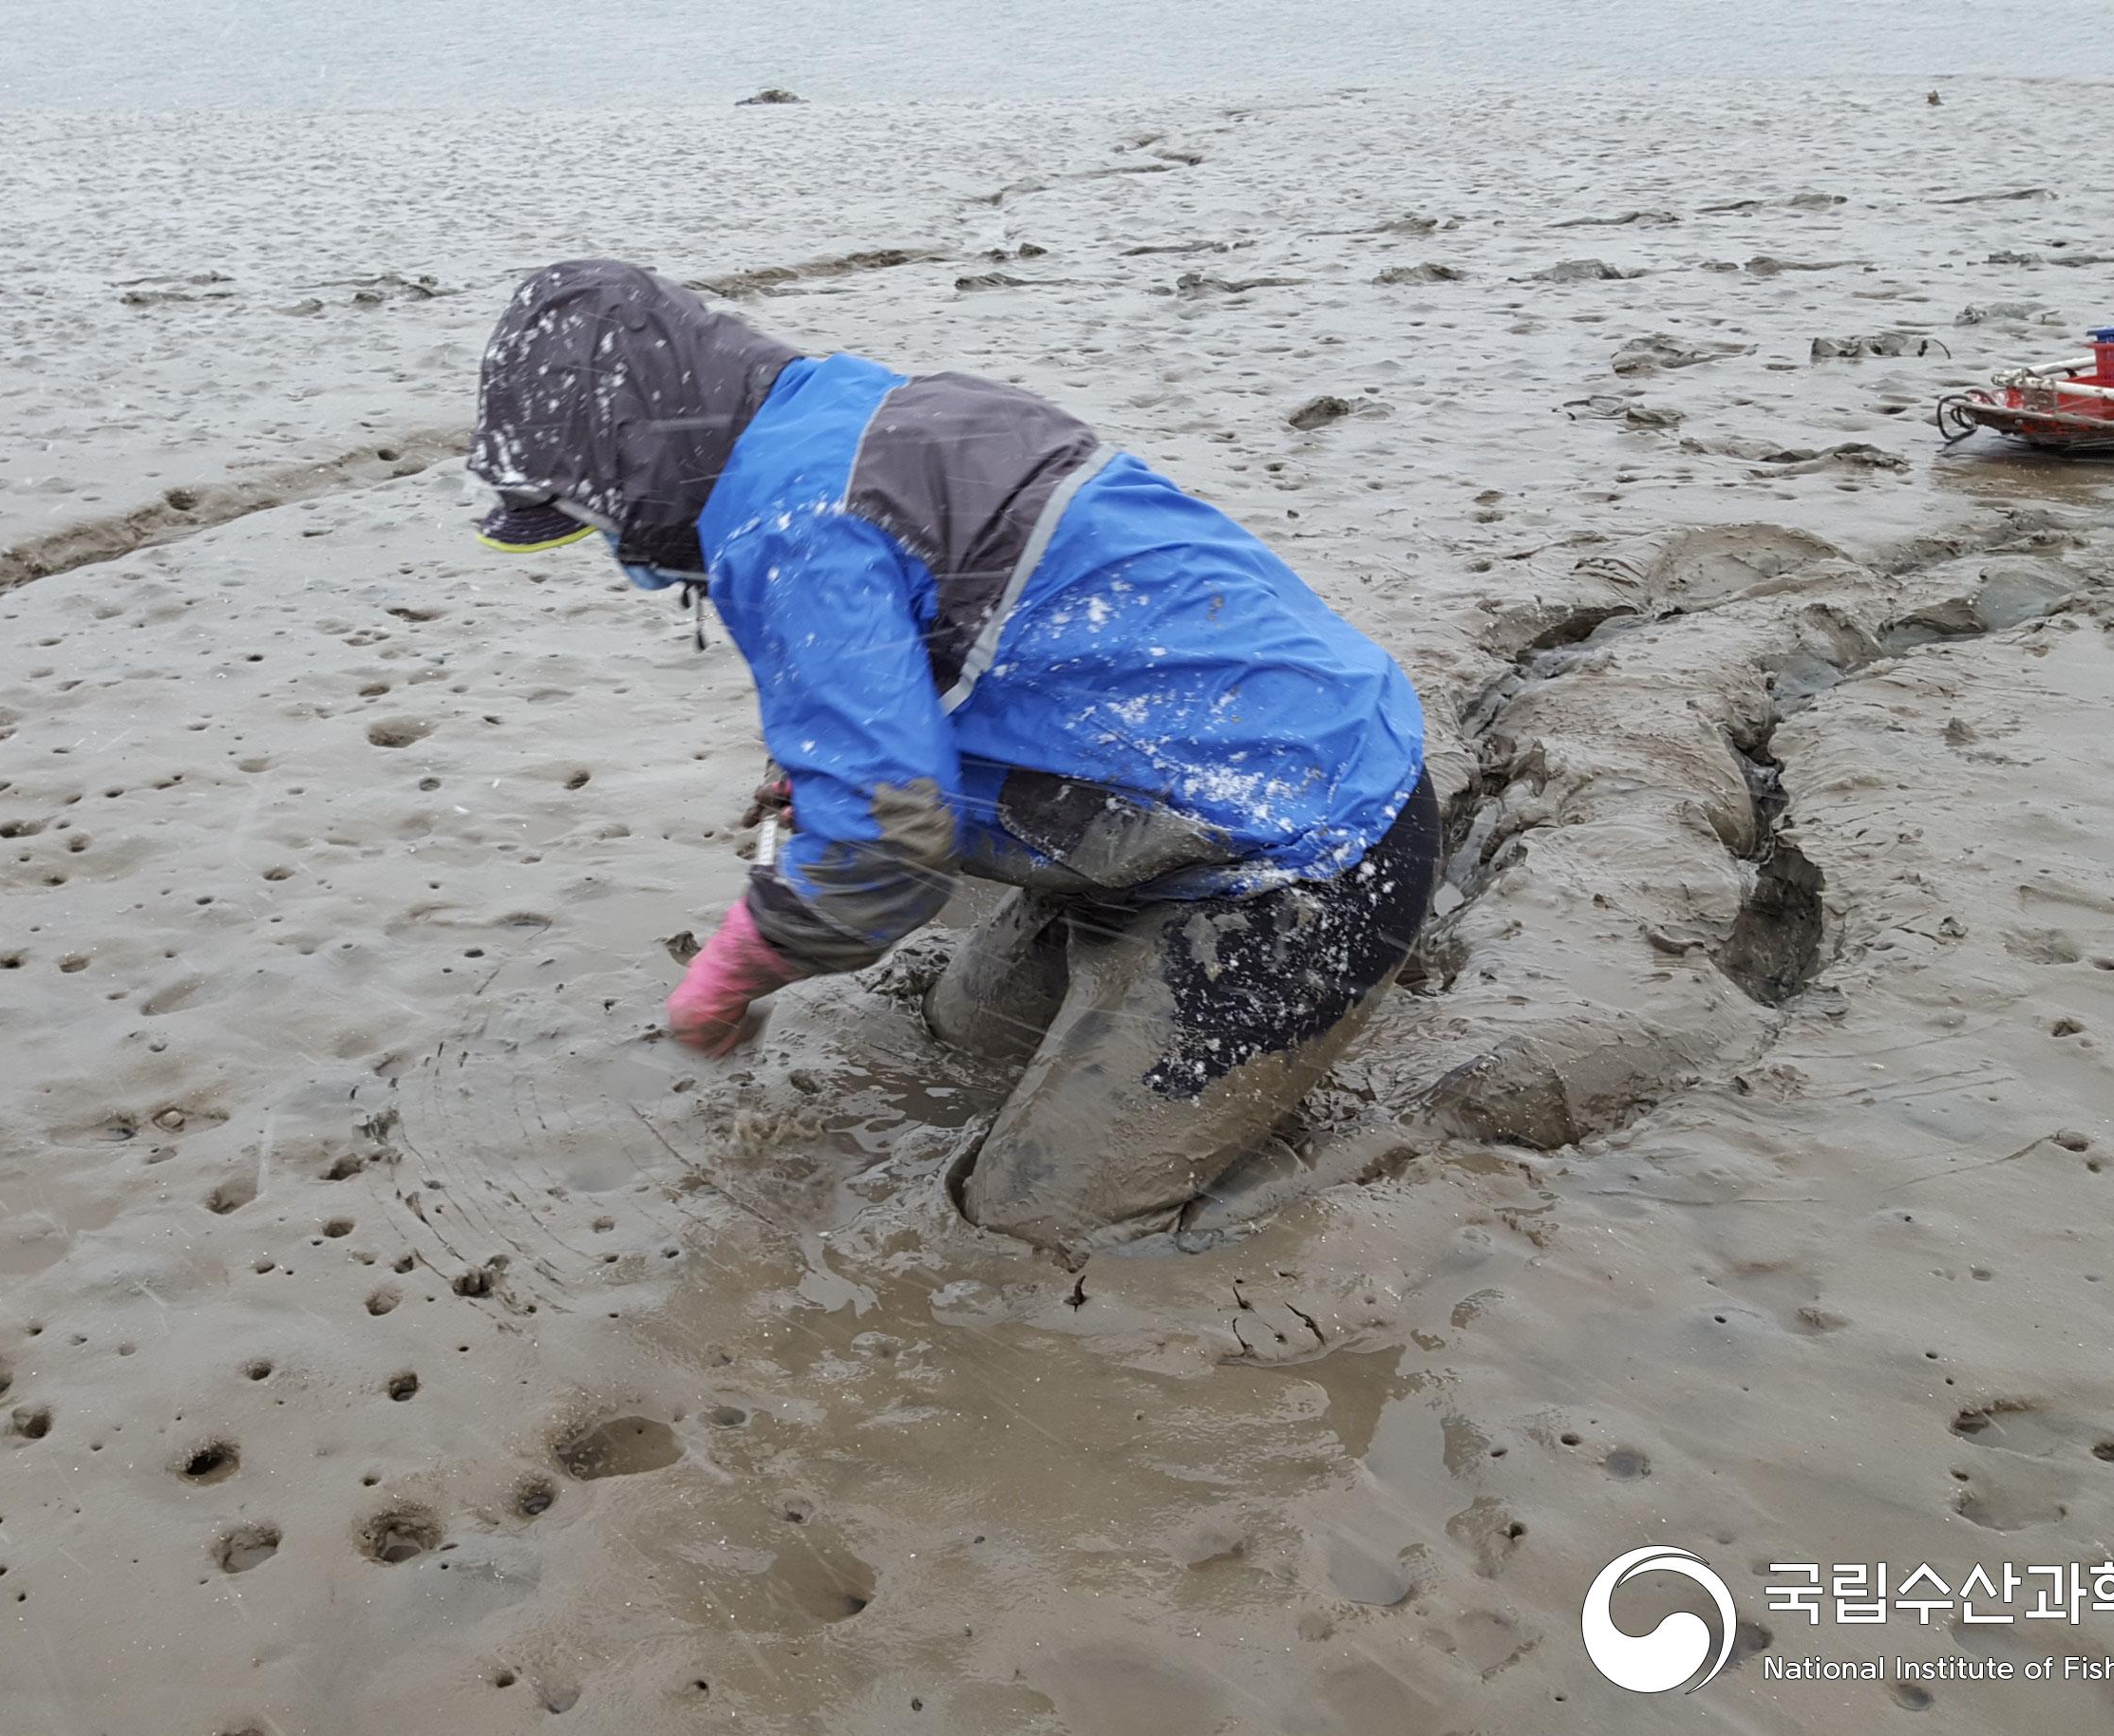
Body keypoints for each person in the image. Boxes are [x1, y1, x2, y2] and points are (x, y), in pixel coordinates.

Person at [468, 259, 1435, 1248]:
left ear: (629, 456)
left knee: (1042, 1224)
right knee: (960, 1039)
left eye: (589, 516)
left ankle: (1411, 1146)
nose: (609, 546)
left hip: (1308, 859)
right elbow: (962, 653)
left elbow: (883, 853)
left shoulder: (791, 527)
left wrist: (734, 971)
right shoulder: (846, 414)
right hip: (1242, 783)